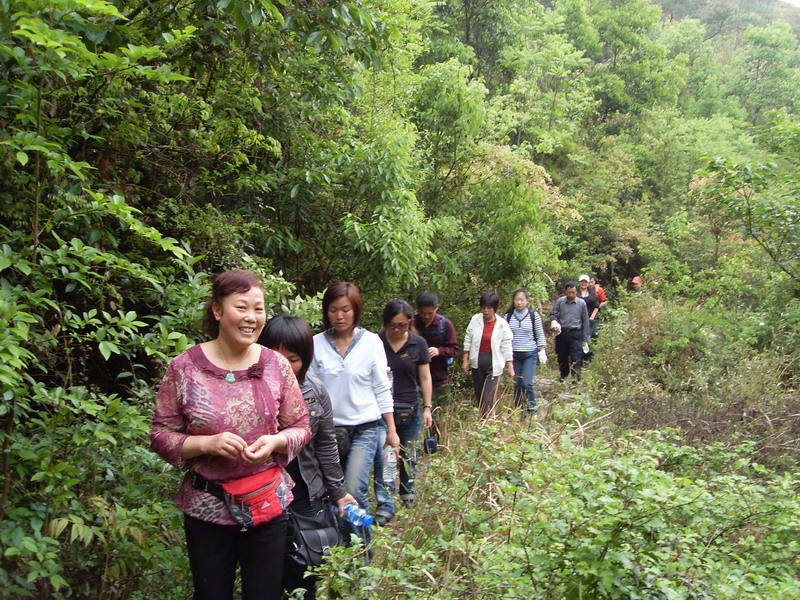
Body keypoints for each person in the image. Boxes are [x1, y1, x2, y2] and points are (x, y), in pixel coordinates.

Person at [150, 269, 311, 600]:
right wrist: (206, 444)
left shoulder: (277, 365)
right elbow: (160, 434)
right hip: (207, 507)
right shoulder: (184, 368)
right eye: (242, 307)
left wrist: (276, 442)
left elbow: (301, 426)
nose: (251, 317)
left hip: (266, 504)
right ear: (218, 310)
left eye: (259, 308)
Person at [259, 315, 357, 600]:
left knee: (308, 570)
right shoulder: (246, 393)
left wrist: (338, 492)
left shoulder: (315, 391)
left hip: (305, 494)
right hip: (262, 494)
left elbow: (326, 444)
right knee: (267, 573)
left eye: (292, 359)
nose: (282, 367)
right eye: (274, 357)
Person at [307, 282, 398, 550]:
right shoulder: (315, 344)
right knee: (333, 495)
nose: (339, 316)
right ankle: (341, 554)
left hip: (365, 429)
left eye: (345, 309)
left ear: (355, 310)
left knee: (354, 490)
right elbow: (308, 390)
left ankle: (362, 558)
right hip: (328, 432)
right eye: (333, 310)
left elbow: (382, 386)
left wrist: (391, 429)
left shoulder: (371, 342)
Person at [376, 299, 433, 515]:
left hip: (410, 406)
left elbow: (425, 377)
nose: (398, 330)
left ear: (409, 321)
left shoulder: (418, 344)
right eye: (393, 325)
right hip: (383, 408)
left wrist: (427, 407)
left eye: (403, 325)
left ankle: (408, 491)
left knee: (409, 453)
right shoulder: (376, 342)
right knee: (389, 453)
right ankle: (388, 496)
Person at [462, 291, 514, 418]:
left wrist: (510, 365)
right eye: (484, 307)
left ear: (494, 308)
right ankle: (483, 422)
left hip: (493, 363)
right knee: (479, 396)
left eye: (489, 308)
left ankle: (488, 422)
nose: (486, 311)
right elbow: (468, 338)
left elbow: (506, 344)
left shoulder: (502, 324)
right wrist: (465, 359)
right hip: (477, 361)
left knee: (488, 396)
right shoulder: (475, 319)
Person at [503, 289, 547, 414]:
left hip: (529, 354)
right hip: (514, 355)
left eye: (522, 300)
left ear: (527, 301)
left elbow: (539, 334)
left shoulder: (534, 316)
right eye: (517, 299)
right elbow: (503, 336)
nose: (519, 302)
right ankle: (518, 409)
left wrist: (542, 350)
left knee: (526, 382)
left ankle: (533, 407)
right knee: (517, 384)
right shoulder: (508, 317)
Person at [412, 292, 459, 408]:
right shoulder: (411, 324)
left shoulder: (445, 325)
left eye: (430, 313)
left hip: (440, 381)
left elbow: (454, 349)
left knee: (441, 419)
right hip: (416, 381)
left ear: (437, 308)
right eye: (423, 313)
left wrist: (439, 351)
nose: (426, 316)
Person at [549, 282, 590, 383]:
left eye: (573, 292)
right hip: (561, 332)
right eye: (569, 292)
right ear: (565, 292)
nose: (571, 295)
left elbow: (585, 321)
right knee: (561, 356)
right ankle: (563, 375)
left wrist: (585, 338)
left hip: (575, 333)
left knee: (576, 357)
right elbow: (553, 314)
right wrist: (554, 322)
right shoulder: (560, 302)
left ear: (577, 292)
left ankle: (576, 378)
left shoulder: (581, 303)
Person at [577, 275, 601, 341]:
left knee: (592, 336)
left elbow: (596, 306)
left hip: (590, 319)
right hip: (578, 319)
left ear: (588, 283)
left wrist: (592, 318)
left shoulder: (592, 294)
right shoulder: (575, 293)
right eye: (582, 282)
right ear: (579, 282)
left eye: (585, 282)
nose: (583, 283)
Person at [588, 274, 607, 338]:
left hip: (596, 314)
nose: (590, 284)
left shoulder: (599, 290)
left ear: (595, 282)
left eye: (592, 282)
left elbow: (604, 301)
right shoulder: (583, 291)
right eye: (589, 282)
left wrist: (597, 308)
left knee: (594, 332)